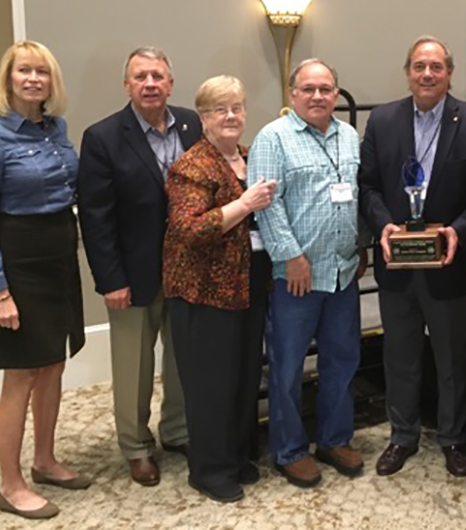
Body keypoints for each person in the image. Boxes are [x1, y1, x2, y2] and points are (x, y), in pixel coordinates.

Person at [358, 35, 466, 478]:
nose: (427, 74)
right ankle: (402, 436)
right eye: (419, 66)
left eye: (436, 66)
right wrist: (383, 224)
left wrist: (456, 232)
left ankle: (453, 437)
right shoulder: (382, 121)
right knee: (399, 355)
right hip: (396, 264)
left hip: (448, 267)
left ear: (448, 73)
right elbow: (367, 186)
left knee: (449, 358)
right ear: (408, 72)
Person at [0, 41, 90, 520]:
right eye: (24, 71)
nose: (34, 79)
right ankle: (10, 484)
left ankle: (44, 460)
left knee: (53, 364)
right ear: (9, 77)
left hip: (59, 250)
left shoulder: (54, 129)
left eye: (42, 71)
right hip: (17, 259)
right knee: (21, 375)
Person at [78, 46, 201, 486]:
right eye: (140, 76)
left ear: (171, 82)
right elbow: (96, 217)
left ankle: (178, 431)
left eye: (158, 76)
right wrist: (110, 279)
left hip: (187, 269)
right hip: (133, 273)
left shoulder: (193, 124)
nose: (150, 84)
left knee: (184, 358)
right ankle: (135, 446)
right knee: (133, 366)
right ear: (127, 85)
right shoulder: (103, 137)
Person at [249, 58, 368, 488]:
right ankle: (289, 449)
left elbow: (356, 195)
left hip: (342, 271)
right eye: (308, 89)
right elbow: (266, 204)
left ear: (335, 94)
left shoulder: (350, 136)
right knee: (287, 366)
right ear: (292, 93)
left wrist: (361, 245)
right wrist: (290, 256)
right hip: (295, 276)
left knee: (342, 359)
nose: (318, 96)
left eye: (325, 89)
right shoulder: (272, 138)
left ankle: (334, 439)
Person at [162, 75, 276, 503]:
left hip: (247, 287)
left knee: (244, 377)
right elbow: (189, 229)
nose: (230, 116)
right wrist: (244, 204)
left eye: (237, 107)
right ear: (203, 118)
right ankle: (208, 470)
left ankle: (235, 456)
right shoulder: (192, 166)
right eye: (218, 109)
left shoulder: (249, 157)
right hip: (203, 292)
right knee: (210, 384)